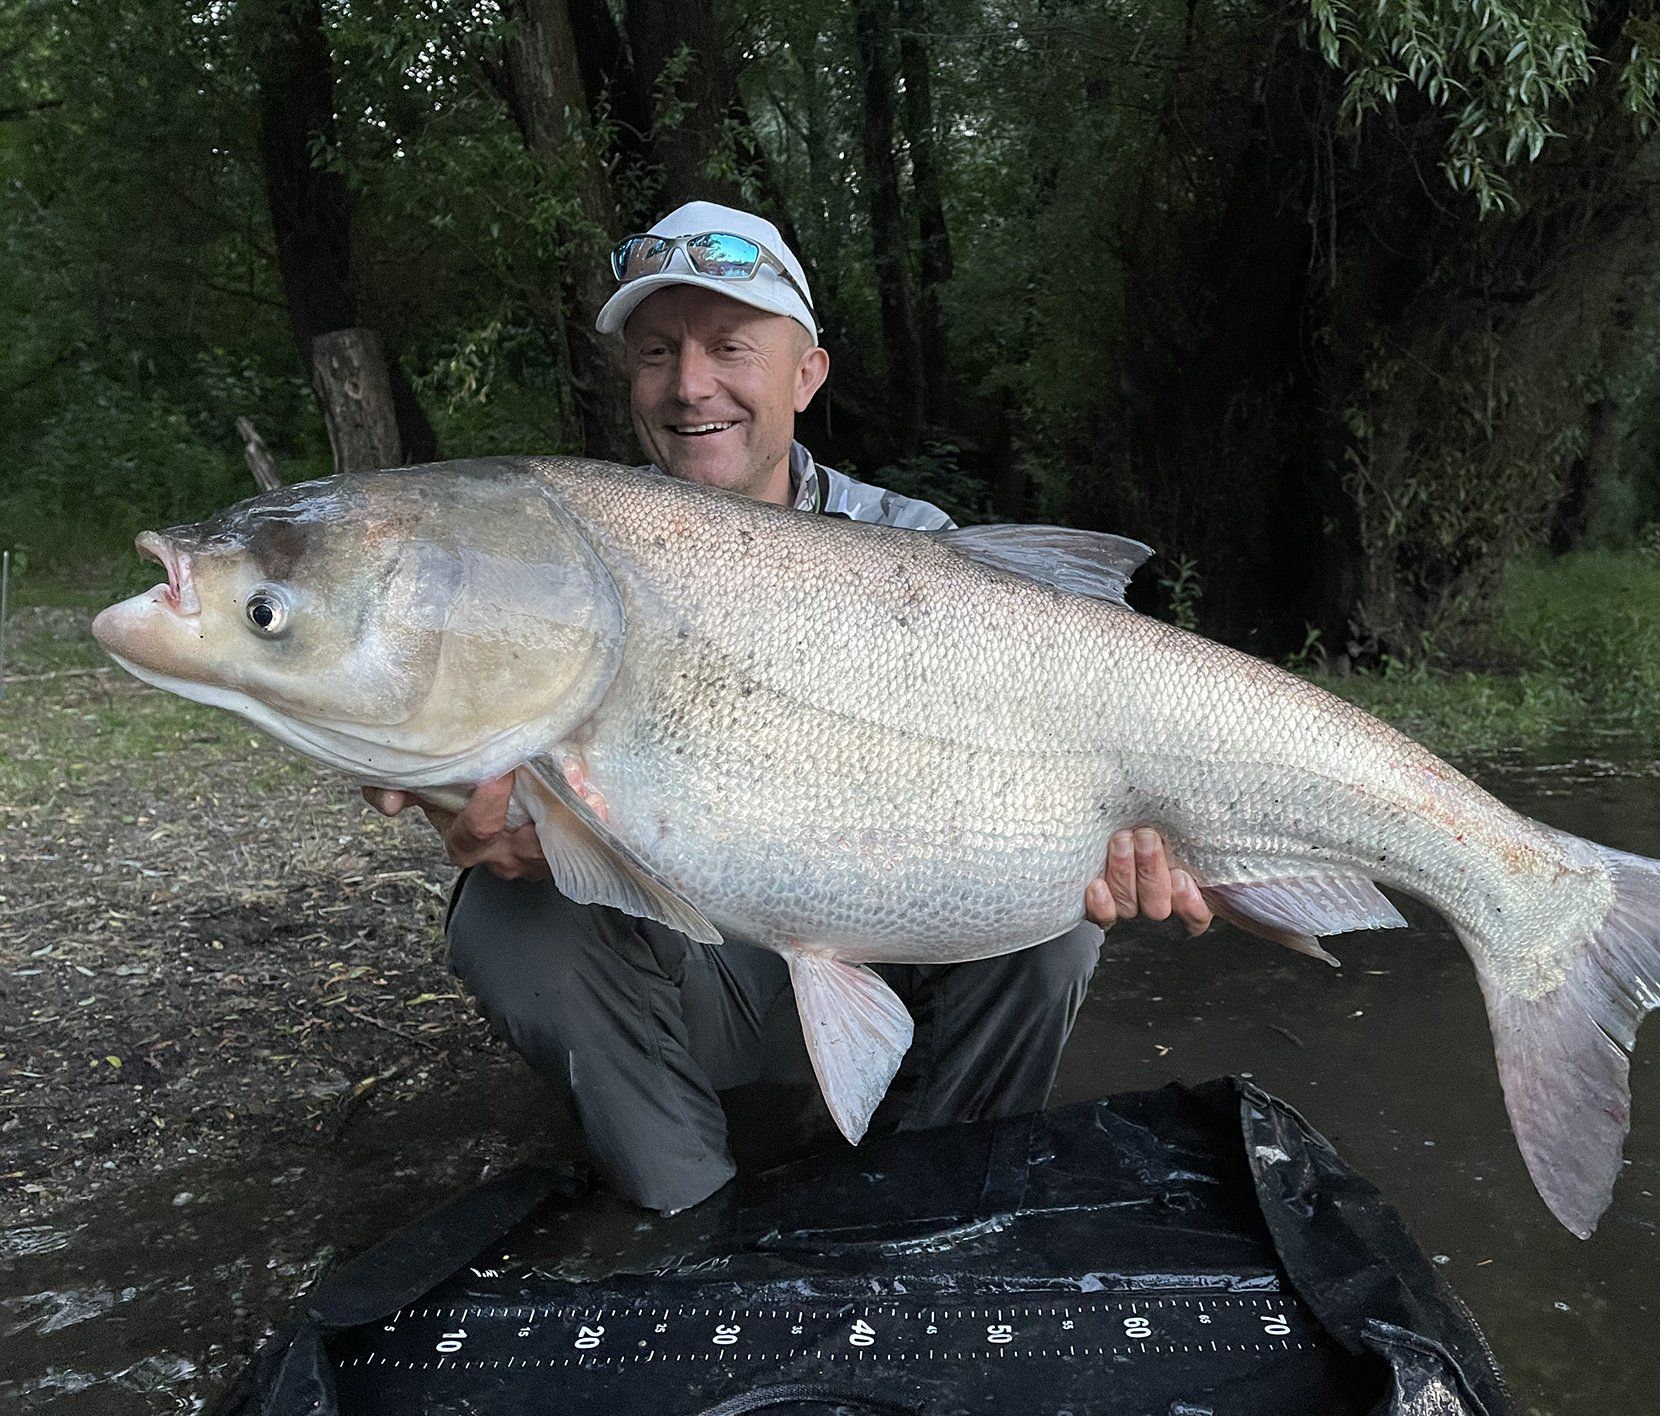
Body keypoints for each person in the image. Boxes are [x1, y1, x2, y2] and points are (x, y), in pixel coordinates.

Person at [365, 201, 1212, 1212]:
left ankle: (937, 1194)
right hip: (699, 965)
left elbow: (1054, 768)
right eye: (655, 352)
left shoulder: (920, 551)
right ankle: (694, 1222)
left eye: (731, 346)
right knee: (509, 919)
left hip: (895, 937)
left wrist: (1126, 834)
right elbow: (452, 746)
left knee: (1059, 917)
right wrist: (460, 801)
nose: (690, 385)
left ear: (808, 374)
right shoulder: (564, 550)